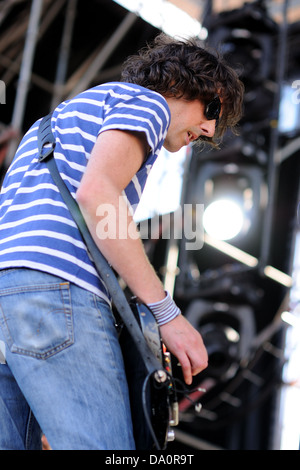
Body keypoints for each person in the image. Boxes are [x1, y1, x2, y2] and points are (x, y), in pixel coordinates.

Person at [0, 33, 244, 450]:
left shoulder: (48, 127)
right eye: (212, 109)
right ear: (182, 82)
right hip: (59, 292)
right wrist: (167, 315)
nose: (206, 129)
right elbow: (98, 195)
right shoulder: (148, 103)